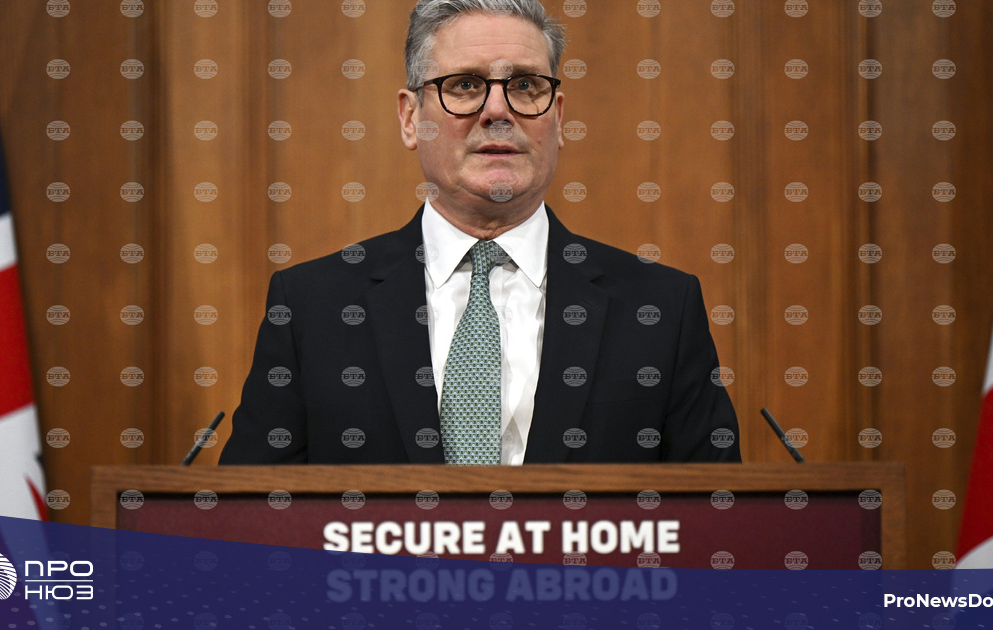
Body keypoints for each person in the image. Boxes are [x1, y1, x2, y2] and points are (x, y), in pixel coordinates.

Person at [219, 0, 739, 466]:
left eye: (526, 86)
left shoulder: (661, 309)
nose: (497, 111)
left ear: (558, 118)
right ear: (410, 118)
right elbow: (247, 517)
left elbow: (719, 519)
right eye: (465, 85)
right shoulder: (312, 306)